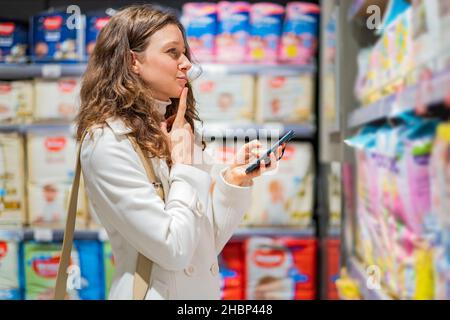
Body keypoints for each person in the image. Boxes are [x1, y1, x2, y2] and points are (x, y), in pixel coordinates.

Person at [76, 5, 284, 300]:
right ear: (132, 60)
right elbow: (174, 250)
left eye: (184, 52)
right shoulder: (108, 142)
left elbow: (205, 244)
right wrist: (185, 166)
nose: (186, 63)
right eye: (172, 52)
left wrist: (233, 180)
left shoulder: (176, 129)